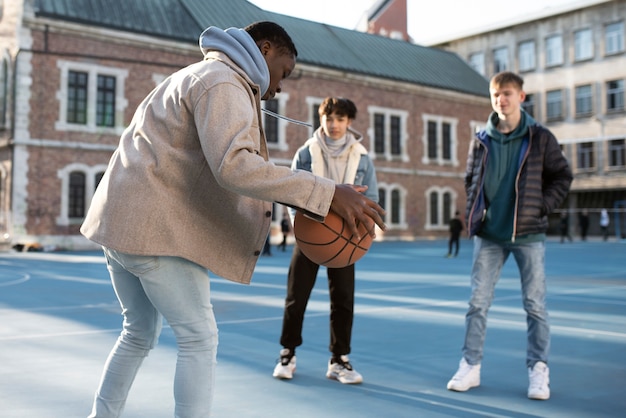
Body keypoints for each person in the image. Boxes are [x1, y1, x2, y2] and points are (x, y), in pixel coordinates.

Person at [80, 22, 386, 418]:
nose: (279, 87)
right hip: (154, 230)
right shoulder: (224, 82)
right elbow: (236, 166)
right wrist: (327, 191)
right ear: (264, 47)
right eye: (283, 71)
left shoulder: (196, 74)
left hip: (120, 223)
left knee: (137, 333)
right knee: (199, 338)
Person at [447, 71, 572, 401]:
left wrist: (541, 206)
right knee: (477, 303)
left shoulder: (540, 137)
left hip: (528, 235)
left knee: (534, 306)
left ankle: (538, 370)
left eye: (506, 93)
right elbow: (470, 177)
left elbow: (562, 175)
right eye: (495, 95)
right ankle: (470, 365)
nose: (501, 99)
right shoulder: (481, 138)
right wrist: (475, 208)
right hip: (489, 234)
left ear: (521, 96)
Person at [272, 97, 378, 384]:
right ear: (321, 120)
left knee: (343, 300)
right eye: (328, 118)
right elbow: (292, 193)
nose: (334, 125)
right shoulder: (306, 153)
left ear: (349, 123)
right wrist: (302, 226)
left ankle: (339, 359)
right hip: (312, 236)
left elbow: (373, 199)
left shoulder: (362, 157)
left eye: (340, 119)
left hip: (345, 237)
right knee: (297, 297)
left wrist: (363, 228)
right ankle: (288, 352)